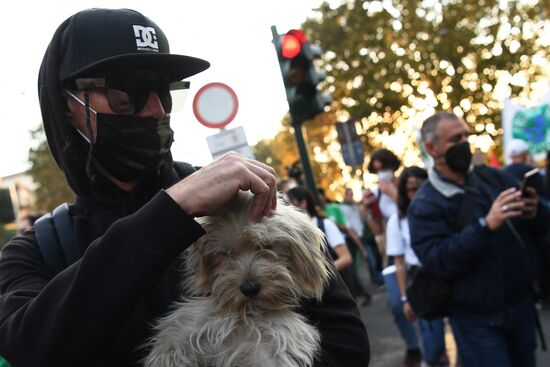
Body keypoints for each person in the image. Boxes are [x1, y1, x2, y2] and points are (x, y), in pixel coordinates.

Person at [0, 9, 370, 366]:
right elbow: (31, 349)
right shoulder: (38, 248)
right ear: (67, 104)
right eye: (126, 93)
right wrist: (167, 215)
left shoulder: (242, 201)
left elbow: (347, 344)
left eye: (164, 90)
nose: (156, 109)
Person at [409, 111, 549, 367]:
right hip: (476, 321)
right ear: (431, 148)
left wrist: (534, 209)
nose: (464, 143)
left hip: (521, 307)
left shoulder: (493, 177)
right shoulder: (425, 203)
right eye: (455, 139)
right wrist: (486, 225)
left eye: (466, 136)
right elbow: (438, 261)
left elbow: (542, 220)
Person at [385, 167, 448, 367]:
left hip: (446, 274)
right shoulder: (398, 220)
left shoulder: (441, 210)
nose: (416, 192)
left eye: (420, 187)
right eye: (410, 188)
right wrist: (405, 298)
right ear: (404, 191)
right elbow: (399, 261)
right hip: (421, 282)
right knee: (431, 336)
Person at [286, 186, 355, 289]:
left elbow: (346, 258)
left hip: (335, 291)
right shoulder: (291, 232)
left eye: (289, 203)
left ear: (303, 203)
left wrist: (316, 275)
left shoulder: (325, 224)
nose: (286, 208)